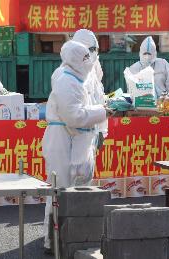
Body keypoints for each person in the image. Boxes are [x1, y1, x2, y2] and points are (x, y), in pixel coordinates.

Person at [41, 40, 113, 252]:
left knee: (73, 190)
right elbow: (73, 116)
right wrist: (102, 112)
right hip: (62, 140)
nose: (88, 61)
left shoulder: (76, 77)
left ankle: (71, 239)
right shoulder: (66, 80)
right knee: (59, 190)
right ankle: (52, 241)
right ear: (73, 58)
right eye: (84, 57)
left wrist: (101, 112)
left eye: (89, 55)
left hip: (73, 139)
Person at [51, 29, 109, 143]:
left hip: (89, 134)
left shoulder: (92, 71)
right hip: (73, 135)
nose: (93, 54)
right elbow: (71, 113)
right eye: (90, 50)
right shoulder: (65, 75)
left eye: (95, 50)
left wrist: (101, 130)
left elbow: (98, 100)